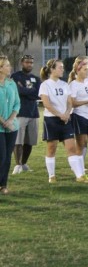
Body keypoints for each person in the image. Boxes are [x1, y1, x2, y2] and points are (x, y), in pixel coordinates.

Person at [39, 59, 88, 183]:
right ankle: (51, 176)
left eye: (62, 67)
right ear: (52, 69)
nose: (62, 70)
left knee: (71, 148)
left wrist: (66, 114)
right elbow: (47, 104)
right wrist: (59, 115)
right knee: (51, 148)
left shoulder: (64, 84)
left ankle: (79, 176)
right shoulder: (45, 85)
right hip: (51, 120)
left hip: (66, 120)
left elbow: (69, 102)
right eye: (60, 67)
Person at [11, 55, 40, 174]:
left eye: (31, 63)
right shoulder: (16, 76)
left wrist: (26, 91)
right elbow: (18, 91)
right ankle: (17, 165)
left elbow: (37, 94)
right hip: (20, 112)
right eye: (27, 62)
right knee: (18, 140)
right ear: (22, 63)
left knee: (30, 141)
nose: (30, 65)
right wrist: (30, 92)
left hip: (33, 113)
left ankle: (24, 163)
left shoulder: (36, 78)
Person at [0, 55, 20, 195]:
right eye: (7, 65)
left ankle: (3, 185)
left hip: (12, 127)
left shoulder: (12, 83)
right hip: (1, 127)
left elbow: (17, 103)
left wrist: (11, 119)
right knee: (1, 156)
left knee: (7, 157)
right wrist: (3, 122)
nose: (10, 67)